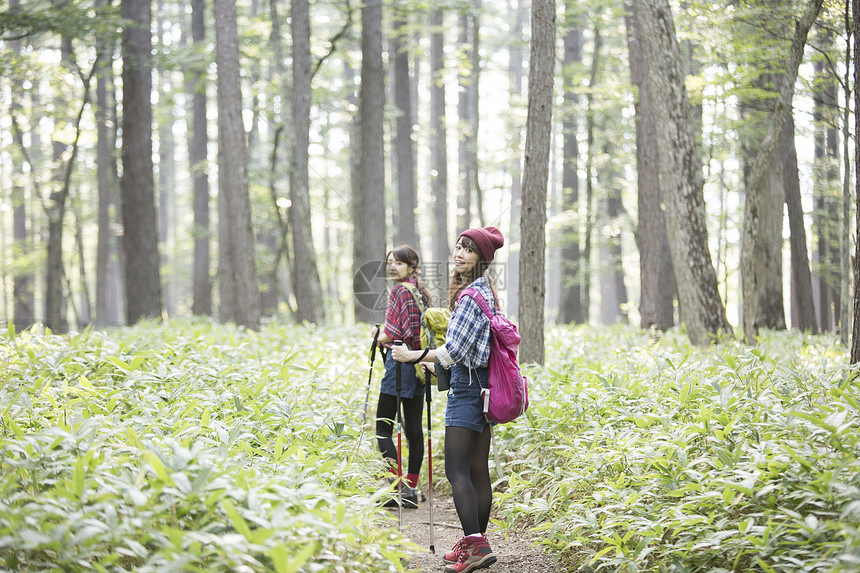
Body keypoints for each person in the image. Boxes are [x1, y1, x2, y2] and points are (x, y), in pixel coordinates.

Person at [392, 226, 503, 573]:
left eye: (468, 249)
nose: (459, 253)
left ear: (480, 259)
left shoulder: (471, 297)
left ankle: (476, 545)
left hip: (468, 392)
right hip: (483, 389)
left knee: (456, 469)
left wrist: (412, 356)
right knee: (476, 469)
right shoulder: (485, 293)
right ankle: (475, 542)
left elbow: (454, 351)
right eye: (458, 246)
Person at [371, 244, 433, 508]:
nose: (392, 266)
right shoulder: (420, 291)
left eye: (398, 262)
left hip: (399, 365)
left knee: (382, 428)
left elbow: (391, 333)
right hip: (419, 365)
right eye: (389, 262)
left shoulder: (399, 291)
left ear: (411, 266)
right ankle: (411, 487)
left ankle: (398, 489)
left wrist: (375, 337)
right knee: (414, 430)